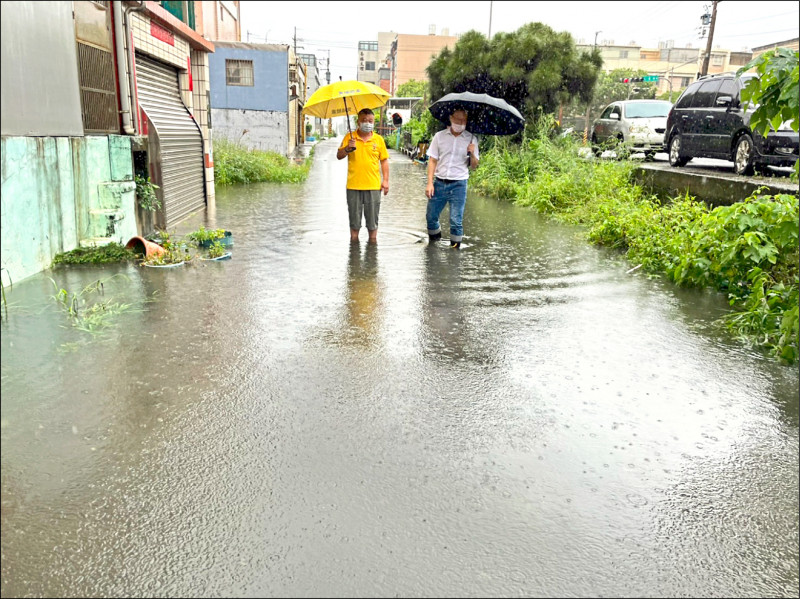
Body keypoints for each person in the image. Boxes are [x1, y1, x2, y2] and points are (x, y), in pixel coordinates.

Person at [425, 108, 479, 249]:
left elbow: (474, 166)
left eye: (463, 120)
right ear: (450, 118)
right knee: (431, 217)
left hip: (459, 184)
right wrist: (430, 183)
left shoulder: (471, 139)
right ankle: (434, 245)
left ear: (466, 121)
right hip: (439, 182)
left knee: (456, 221)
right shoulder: (439, 136)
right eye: (457, 119)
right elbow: (432, 160)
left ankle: (455, 253)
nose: (460, 123)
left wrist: (472, 154)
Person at [336, 108, 389, 243]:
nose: (367, 123)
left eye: (370, 121)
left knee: (372, 222)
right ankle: (354, 250)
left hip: (373, 186)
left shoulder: (379, 140)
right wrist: (348, 148)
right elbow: (339, 156)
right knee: (354, 222)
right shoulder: (350, 137)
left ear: (374, 122)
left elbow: (384, 161)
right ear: (358, 122)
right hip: (353, 186)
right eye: (364, 120)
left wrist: (386, 181)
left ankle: (372, 251)